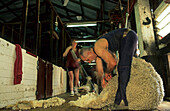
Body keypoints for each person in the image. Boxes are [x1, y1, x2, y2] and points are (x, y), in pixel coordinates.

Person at [79, 28, 138, 109]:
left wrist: (107, 72)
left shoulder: (97, 47)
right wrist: (102, 82)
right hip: (124, 41)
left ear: (89, 52)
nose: (89, 62)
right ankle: (119, 100)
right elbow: (100, 72)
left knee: (123, 68)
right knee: (122, 68)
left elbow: (113, 62)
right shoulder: (98, 56)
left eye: (88, 59)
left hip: (127, 36)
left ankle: (122, 102)